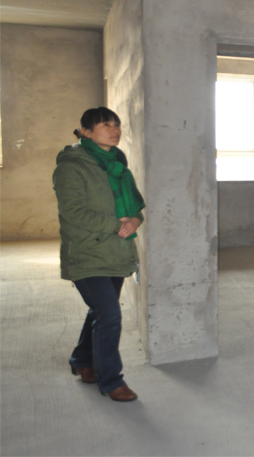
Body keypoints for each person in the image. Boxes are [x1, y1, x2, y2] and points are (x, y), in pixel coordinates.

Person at [53, 107, 145, 402]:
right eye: (106, 124)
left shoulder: (118, 164)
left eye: (117, 124)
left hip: (116, 252)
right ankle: (112, 380)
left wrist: (135, 220)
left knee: (100, 312)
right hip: (86, 253)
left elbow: (135, 206)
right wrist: (117, 225)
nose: (114, 129)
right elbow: (73, 212)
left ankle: (82, 360)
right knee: (110, 315)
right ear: (86, 132)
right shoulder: (72, 166)